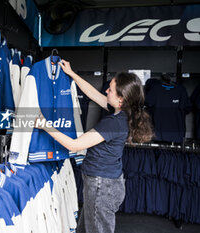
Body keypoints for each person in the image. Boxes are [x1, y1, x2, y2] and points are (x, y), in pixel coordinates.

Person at [35, 60, 153, 233]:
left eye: (110, 89)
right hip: (105, 183)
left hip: (102, 187)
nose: (106, 91)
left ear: (121, 99)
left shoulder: (113, 123)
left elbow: (75, 146)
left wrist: (44, 125)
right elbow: (92, 94)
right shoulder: (123, 112)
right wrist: (71, 73)